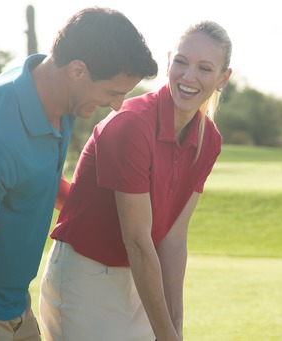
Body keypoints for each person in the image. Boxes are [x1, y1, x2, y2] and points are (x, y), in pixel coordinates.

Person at [0, 7, 158, 341]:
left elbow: (36, 181)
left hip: (12, 306)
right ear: (78, 71)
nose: (118, 105)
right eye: (113, 92)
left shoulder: (58, 103)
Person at [39, 20, 233, 341]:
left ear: (223, 78)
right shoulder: (132, 124)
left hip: (141, 279)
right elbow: (138, 242)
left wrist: (175, 324)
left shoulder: (209, 139)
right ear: (169, 61)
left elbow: (173, 238)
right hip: (86, 277)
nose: (189, 76)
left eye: (204, 68)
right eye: (182, 62)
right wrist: (165, 334)